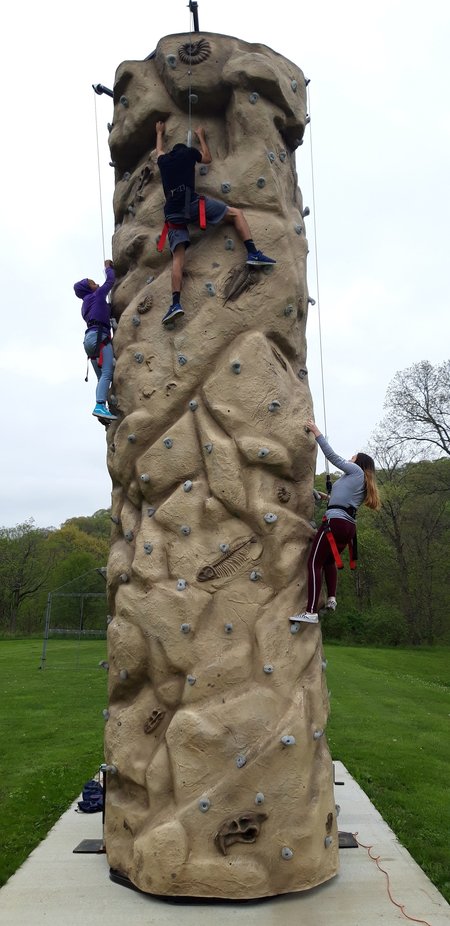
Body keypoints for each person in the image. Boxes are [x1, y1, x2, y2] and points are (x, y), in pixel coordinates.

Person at [155, 121, 276, 325]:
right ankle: (253, 252)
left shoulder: (164, 161)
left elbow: (158, 150)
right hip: (191, 205)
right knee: (236, 213)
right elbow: (208, 158)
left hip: (173, 215)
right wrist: (201, 136)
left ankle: (175, 303)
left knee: (178, 258)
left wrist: (159, 133)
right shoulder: (189, 154)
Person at [289, 417, 380, 626]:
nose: (350, 459)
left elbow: (332, 457)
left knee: (314, 562)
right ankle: (331, 598)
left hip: (336, 523)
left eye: (353, 457)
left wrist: (316, 432)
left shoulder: (355, 472)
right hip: (346, 527)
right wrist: (324, 496)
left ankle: (310, 611)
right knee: (328, 560)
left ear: (359, 463)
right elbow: (342, 501)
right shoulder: (359, 481)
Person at [73, 260, 118, 421]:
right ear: (87, 288)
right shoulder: (97, 295)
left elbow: (102, 311)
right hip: (100, 337)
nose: (97, 284)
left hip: (89, 341)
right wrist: (107, 269)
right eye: (92, 283)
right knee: (107, 373)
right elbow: (110, 281)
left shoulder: (86, 304)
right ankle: (99, 405)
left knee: (102, 378)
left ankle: (102, 410)